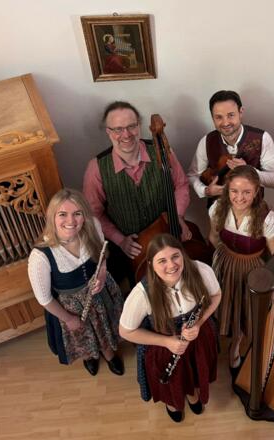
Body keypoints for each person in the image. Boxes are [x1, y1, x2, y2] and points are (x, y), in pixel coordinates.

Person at [83, 101, 192, 285]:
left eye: (131, 126)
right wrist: (120, 240)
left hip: (166, 233)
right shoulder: (96, 168)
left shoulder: (163, 152)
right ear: (108, 132)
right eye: (118, 129)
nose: (126, 134)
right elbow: (94, 214)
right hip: (129, 249)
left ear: (139, 126)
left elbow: (181, 185)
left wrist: (178, 216)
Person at [119, 233, 221, 423]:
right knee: (172, 382)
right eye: (162, 261)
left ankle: (192, 393)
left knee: (195, 371)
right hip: (164, 347)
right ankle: (172, 402)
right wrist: (167, 342)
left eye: (175, 256)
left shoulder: (200, 270)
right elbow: (125, 331)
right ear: (151, 264)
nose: (172, 265)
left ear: (182, 254)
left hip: (196, 338)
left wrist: (198, 323)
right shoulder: (141, 294)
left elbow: (216, 296)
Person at [28, 188, 124, 376]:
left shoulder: (93, 225)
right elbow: (44, 299)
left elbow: (102, 256)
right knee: (83, 335)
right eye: (62, 214)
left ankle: (109, 354)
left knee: (104, 327)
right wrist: (68, 319)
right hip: (72, 308)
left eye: (77, 214)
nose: (71, 221)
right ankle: (90, 357)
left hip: (100, 294)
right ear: (52, 217)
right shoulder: (40, 257)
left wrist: (101, 275)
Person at [208, 165, 274, 374]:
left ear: (256, 191)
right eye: (234, 191)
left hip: (252, 269)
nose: (239, 198)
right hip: (224, 262)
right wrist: (225, 259)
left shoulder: (267, 218)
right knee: (222, 303)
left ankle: (235, 346)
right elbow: (213, 237)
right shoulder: (218, 208)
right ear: (227, 189)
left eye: (247, 192)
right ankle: (222, 333)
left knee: (243, 309)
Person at [188, 90, 274, 205]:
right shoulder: (206, 141)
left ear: (241, 112)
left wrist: (250, 172)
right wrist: (206, 191)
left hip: (253, 209)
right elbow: (193, 176)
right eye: (219, 117)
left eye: (231, 115)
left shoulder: (263, 138)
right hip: (217, 209)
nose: (225, 123)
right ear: (212, 117)